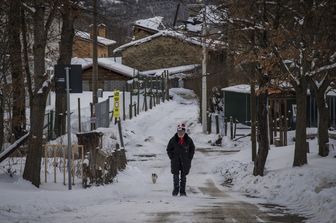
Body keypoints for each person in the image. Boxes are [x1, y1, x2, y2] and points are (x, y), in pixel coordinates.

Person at [166, 123, 195, 196]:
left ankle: (182, 192)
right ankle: (175, 190)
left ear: (184, 131)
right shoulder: (173, 140)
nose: (180, 133)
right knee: (175, 176)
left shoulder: (188, 140)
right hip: (175, 161)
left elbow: (192, 149)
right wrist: (171, 157)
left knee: (183, 177)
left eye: (182, 132)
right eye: (179, 132)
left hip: (185, 161)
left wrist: (189, 157)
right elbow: (168, 149)